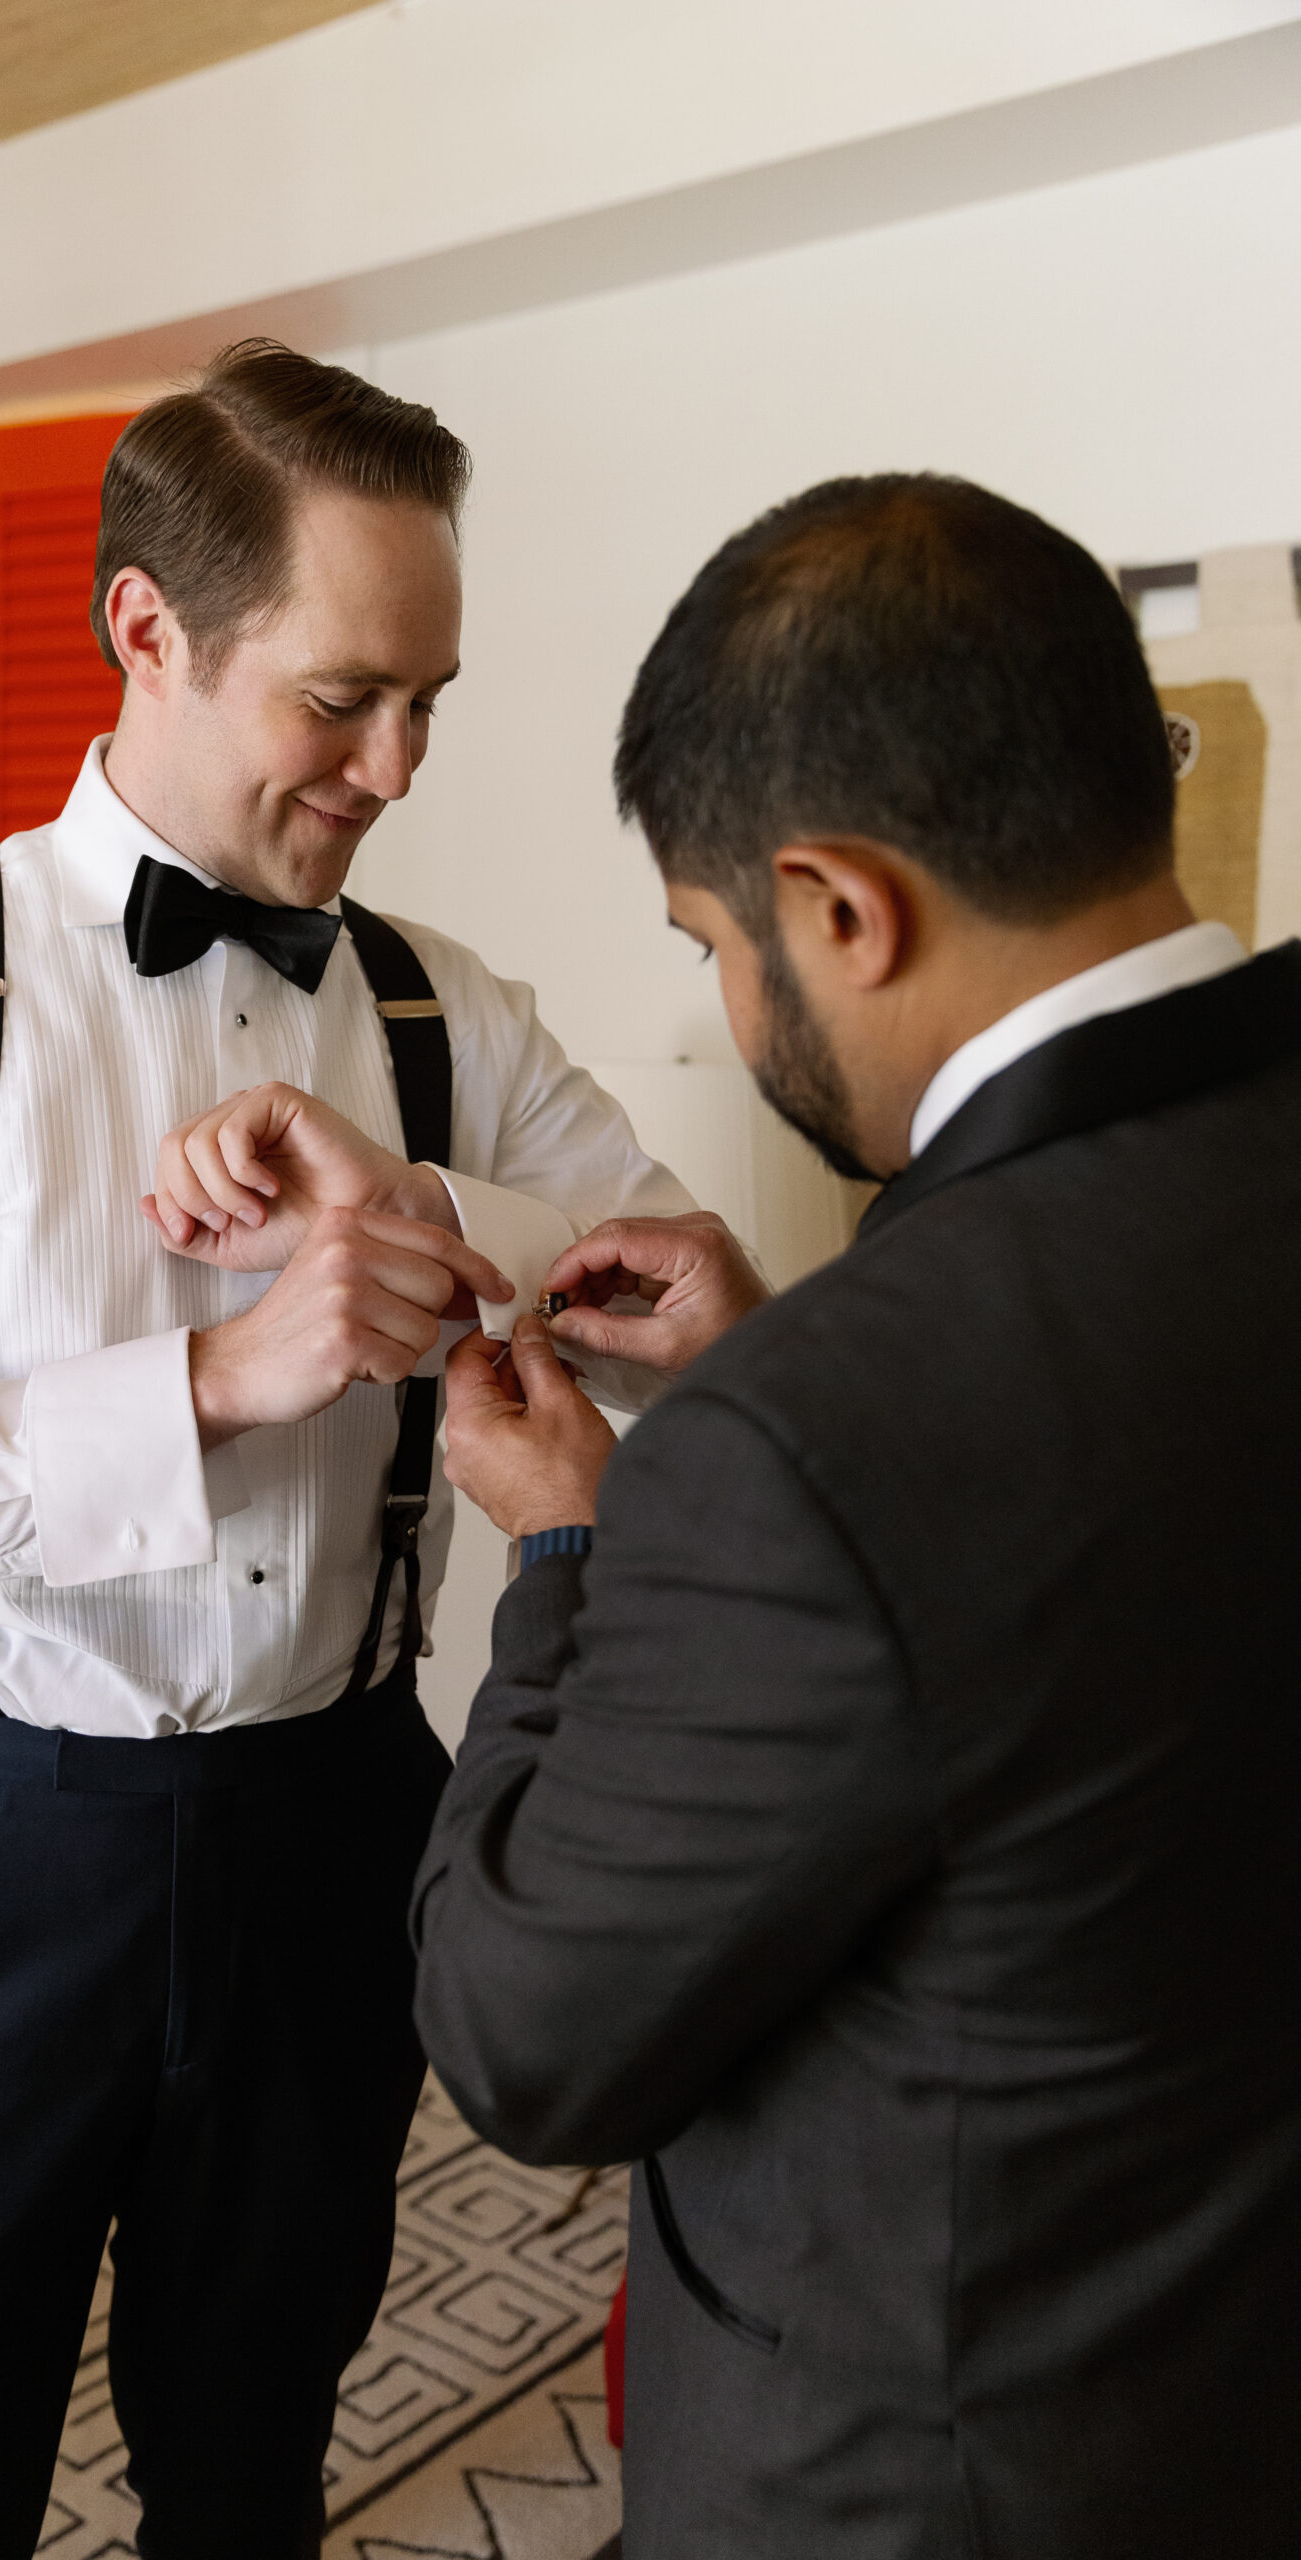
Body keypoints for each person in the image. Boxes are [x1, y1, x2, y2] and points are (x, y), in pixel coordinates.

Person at [0, 339, 692, 2560]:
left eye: (432, 697)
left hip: (327, 1846)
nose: (400, 762)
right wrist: (219, 1384)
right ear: (148, 628)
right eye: (344, 697)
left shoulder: (446, 1012)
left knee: (247, 2479)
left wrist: (408, 1206)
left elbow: (669, 1279)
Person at [412, 473, 1301, 2559]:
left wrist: (569, 1547)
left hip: (934, 2477)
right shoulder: (875, 1389)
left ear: (836, 905)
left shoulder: (820, 1437)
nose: (730, 1002)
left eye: (710, 942)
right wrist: (790, 1374)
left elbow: (527, 2033)